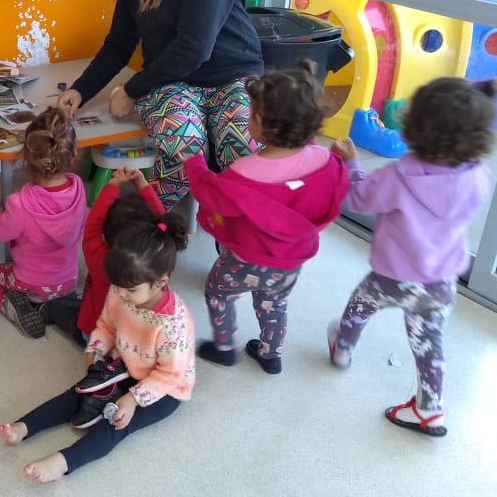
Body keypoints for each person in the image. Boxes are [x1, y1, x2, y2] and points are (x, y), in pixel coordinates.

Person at [56, 0, 264, 209]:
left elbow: (194, 48)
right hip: (172, 80)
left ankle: (236, 229)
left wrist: (131, 90)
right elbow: (119, 44)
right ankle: (149, 225)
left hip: (232, 73)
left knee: (243, 148)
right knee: (184, 149)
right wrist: (80, 90)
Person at [327, 77, 495, 437]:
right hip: (441, 283)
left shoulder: (399, 175)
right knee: (429, 344)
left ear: (414, 127)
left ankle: (342, 348)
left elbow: (358, 199)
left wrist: (352, 164)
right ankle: (430, 409)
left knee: (360, 305)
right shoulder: (479, 177)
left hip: (392, 277)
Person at [0, 217, 194, 483]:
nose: (121, 294)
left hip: (165, 388)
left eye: (130, 290)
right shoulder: (122, 289)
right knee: (78, 392)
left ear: (160, 282)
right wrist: (95, 351)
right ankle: (24, 426)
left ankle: (63, 462)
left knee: (117, 423)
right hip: (126, 365)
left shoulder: (173, 324)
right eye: (117, 286)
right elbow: (108, 325)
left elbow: (169, 375)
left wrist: (133, 399)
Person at [186, 59, 349, 374]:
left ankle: (224, 347)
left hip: (245, 261)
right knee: (273, 304)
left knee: (218, 292)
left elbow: (211, 195)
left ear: (259, 121)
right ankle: (270, 354)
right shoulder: (326, 161)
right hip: (290, 263)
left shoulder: (245, 172)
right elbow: (315, 180)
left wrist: (195, 163)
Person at [0, 108, 88, 338]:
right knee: (52, 286)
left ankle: (15, 308)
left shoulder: (20, 203)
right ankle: (54, 304)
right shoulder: (78, 190)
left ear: (26, 158)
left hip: (31, 284)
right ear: (74, 154)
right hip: (68, 281)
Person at [47, 166, 165, 356]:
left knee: (63, 307)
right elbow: (162, 218)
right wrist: (142, 183)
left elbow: (92, 223)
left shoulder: (101, 261)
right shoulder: (159, 256)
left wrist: (113, 184)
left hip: (97, 335)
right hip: (133, 344)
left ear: (105, 236)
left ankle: (49, 310)